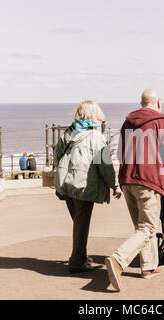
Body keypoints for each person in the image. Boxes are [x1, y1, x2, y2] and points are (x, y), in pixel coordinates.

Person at [105, 89, 164, 291]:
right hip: (149, 180)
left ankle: (149, 267)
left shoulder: (127, 122)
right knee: (147, 228)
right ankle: (118, 260)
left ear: (141, 102)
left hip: (128, 179)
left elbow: (120, 152)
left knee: (142, 227)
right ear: (159, 103)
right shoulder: (162, 121)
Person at [54, 100, 122, 273]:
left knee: (78, 222)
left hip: (66, 183)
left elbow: (57, 156)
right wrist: (115, 185)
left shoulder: (69, 132)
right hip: (83, 185)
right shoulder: (96, 136)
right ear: (94, 114)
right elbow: (105, 165)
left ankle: (81, 257)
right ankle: (76, 262)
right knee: (81, 224)